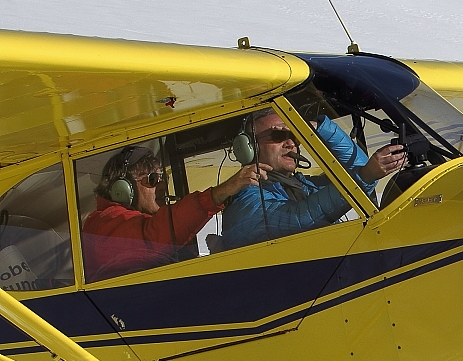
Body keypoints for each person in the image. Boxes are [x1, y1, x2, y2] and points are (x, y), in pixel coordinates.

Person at [220, 111, 407, 249]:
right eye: (278, 136)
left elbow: (359, 169)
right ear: (248, 147)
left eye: (295, 135)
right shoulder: (244, 199)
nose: (291, 143)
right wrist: (365, 175)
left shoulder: (304, 185)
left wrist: (316, 128)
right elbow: (299, 219)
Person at [82, 146, 259, 281]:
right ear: (123, 189)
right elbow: (152, 237)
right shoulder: (104, 223)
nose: (162, 187)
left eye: (163, 179)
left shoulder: (140, 221)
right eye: (152, 180)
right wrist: (220, 192)